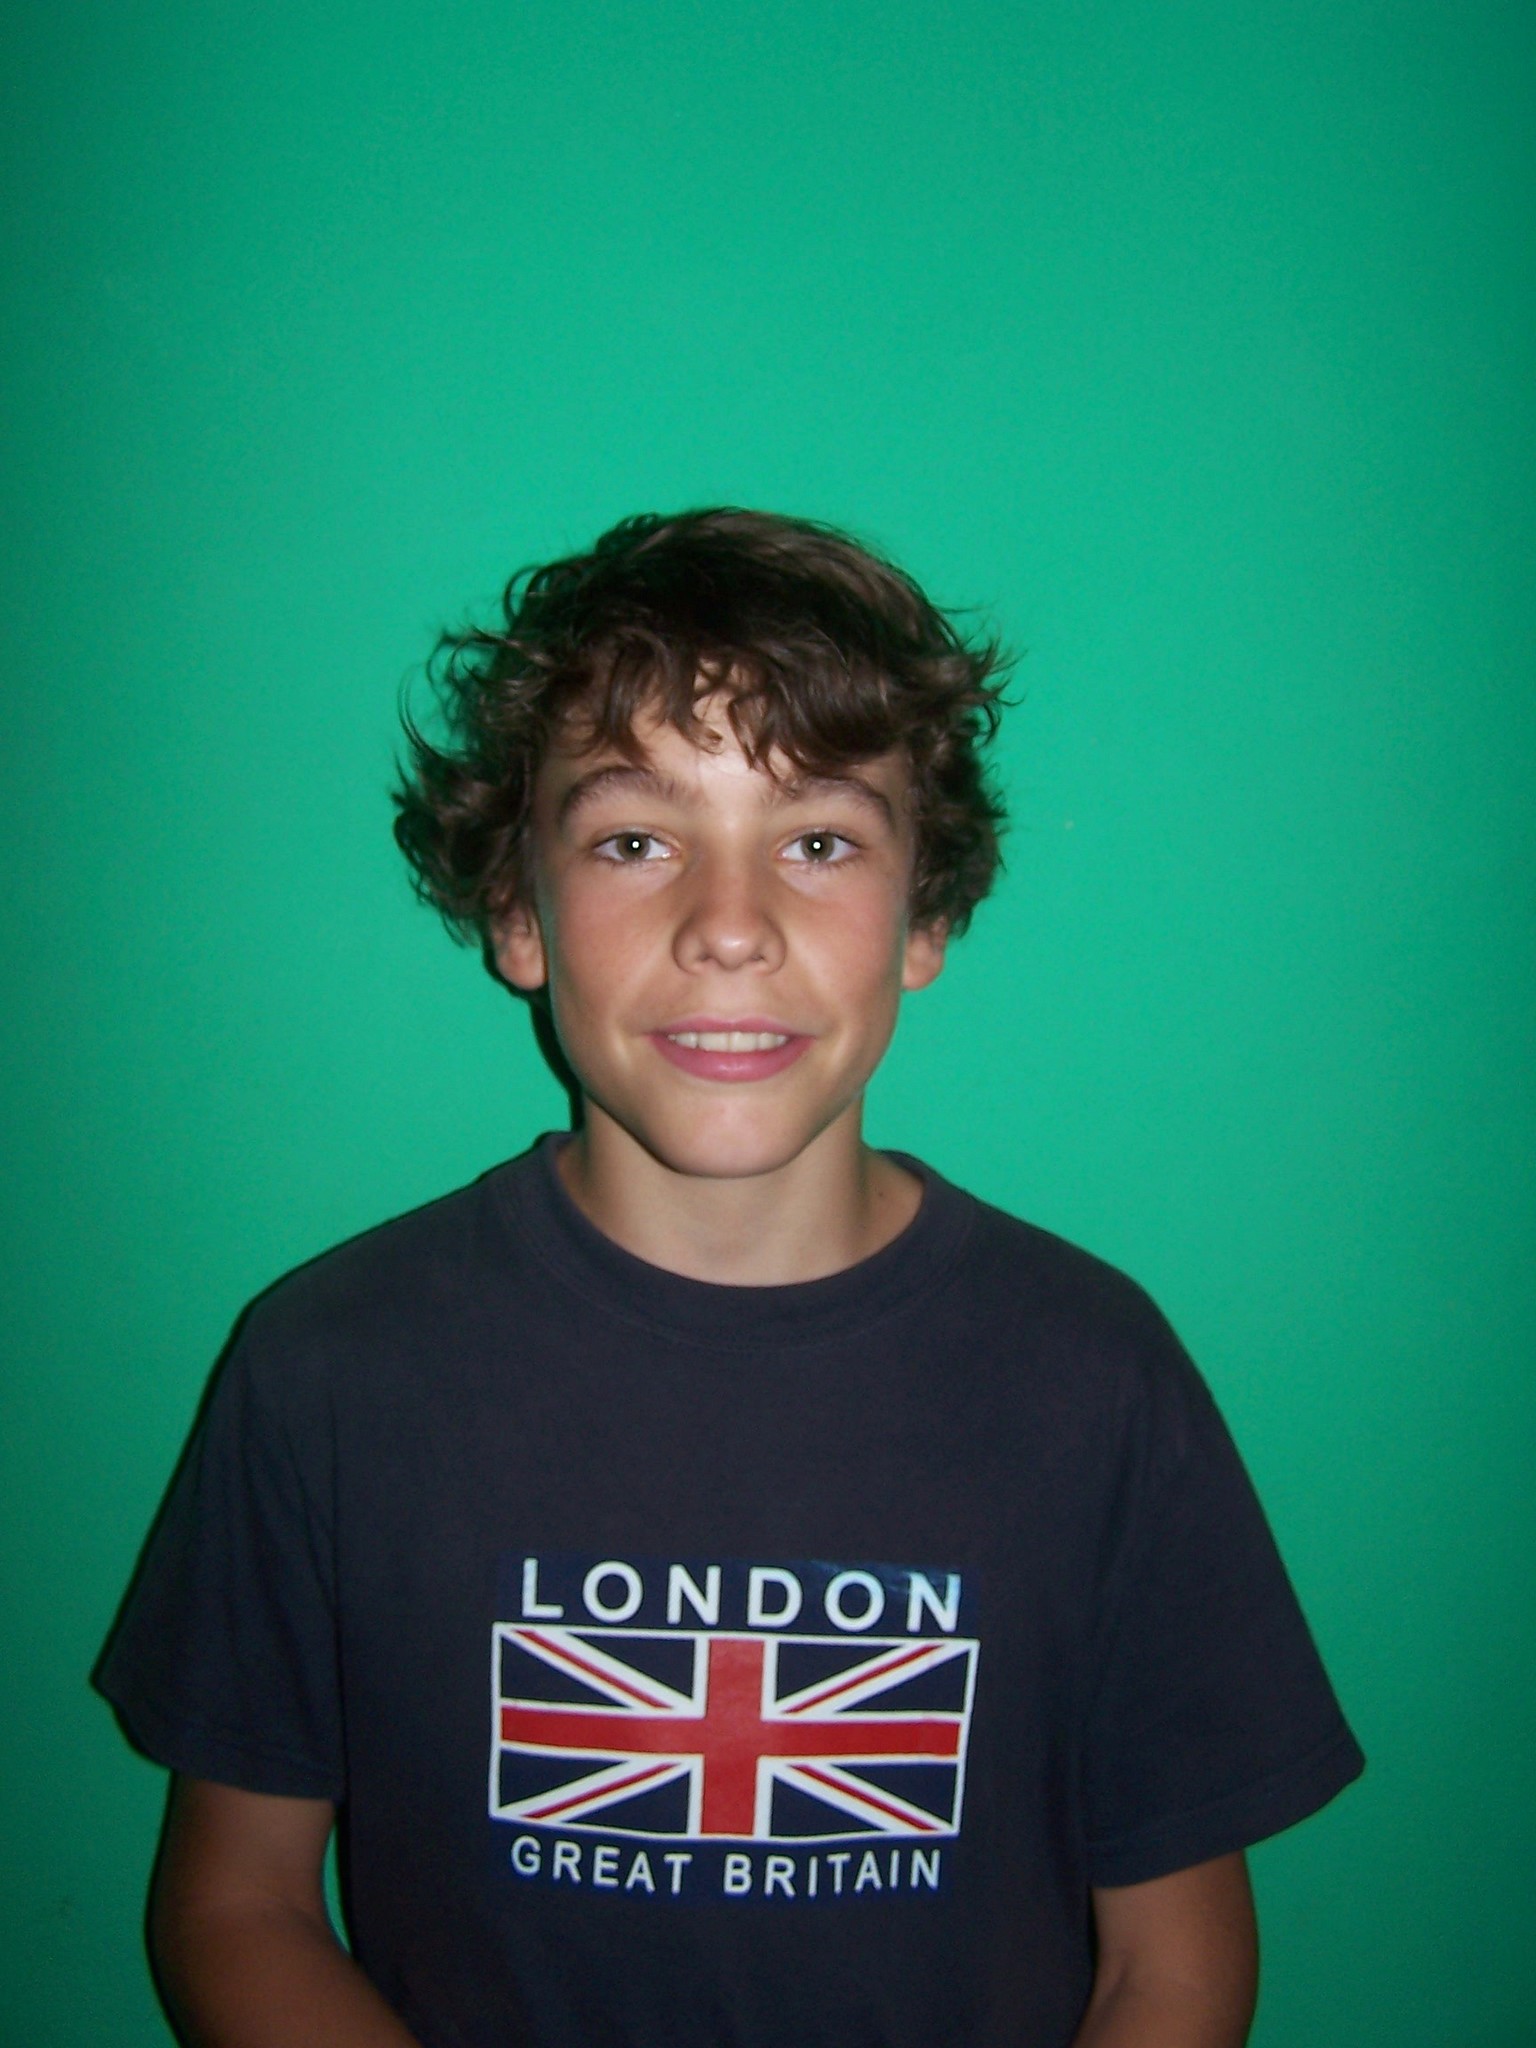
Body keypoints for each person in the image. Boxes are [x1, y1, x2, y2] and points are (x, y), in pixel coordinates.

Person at [96, 508, 1363, 2048]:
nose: (729, 929)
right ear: (517, 911)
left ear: (927, 916)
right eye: (636, 841)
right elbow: (238, 1906)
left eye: (818, 842)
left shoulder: (1096, 1377)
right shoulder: (330, 1368)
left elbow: (1172, 1965)